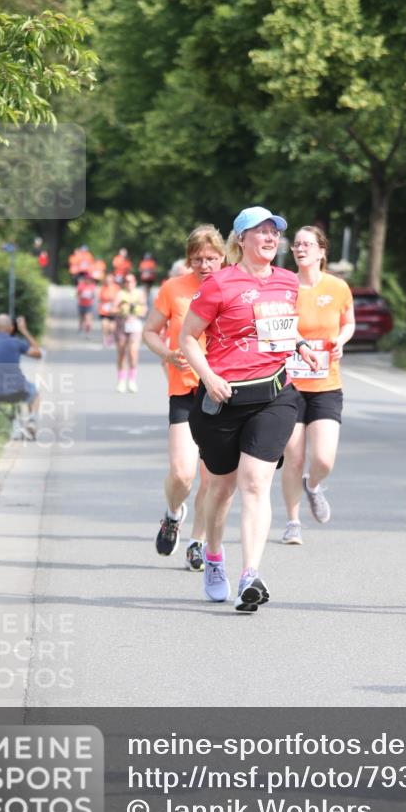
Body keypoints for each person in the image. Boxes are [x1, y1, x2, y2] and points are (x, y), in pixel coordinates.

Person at [180, 206, 320, 612]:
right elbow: (189, 337)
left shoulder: (288, 281)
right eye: (261, 232)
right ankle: (215, 556)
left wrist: (302, 346)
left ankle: (250, 576)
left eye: (275, 232)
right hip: (224, 399)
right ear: (240, 239)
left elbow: (281, 326)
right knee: (220, 489)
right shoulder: (219, 285)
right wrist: (208, 377)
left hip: (274, 396)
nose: (271, 239)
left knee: (256, 483)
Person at [143, 226, 225, 571]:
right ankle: (173, 513)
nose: (204, 265)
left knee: (211, 478)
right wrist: (167, 352)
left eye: (211, 258)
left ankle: (198, 542)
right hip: (184, 390)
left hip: (221, 391)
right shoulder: (173, 289)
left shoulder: (232, 286)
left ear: (223, 257)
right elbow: (149, 331)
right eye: (197, 259)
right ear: (189, 259)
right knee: (181, 474)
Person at [280, 226, 355, 545]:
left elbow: (348, 321)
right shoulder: (283, 285)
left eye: (307, 244)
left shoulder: (338, 288)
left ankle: (314, 485)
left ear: (322, 251)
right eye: (296, 244)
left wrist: (340, 340)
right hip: (289, 383)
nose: (300, 249)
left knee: (323, 458)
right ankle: (293, 521)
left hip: (326, 383)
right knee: (294, 457)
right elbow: (276, 326)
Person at [0, 314, 42, 437]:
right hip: (19, 390)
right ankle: (32, 422)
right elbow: (38, 354)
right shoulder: (17, 343)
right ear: (11, 328)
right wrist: (24, 330)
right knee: (35, 394)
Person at [112, 272, 146, 392]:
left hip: (135, 326)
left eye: (131, 281)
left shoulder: (139, 293)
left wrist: (138, 311)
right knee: (121, 354)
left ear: (135, 282)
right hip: (122, 325)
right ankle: (121, 381)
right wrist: (122, 309)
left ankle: (132, 380)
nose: (129, 283)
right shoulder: (120, 294)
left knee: (133, 353)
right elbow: (113, 309)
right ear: (124, 283)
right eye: (126, 281)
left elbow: (144, 309)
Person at [98, 272, 120, 348]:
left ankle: (111, 337)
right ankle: (104, 338)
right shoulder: (103, 288)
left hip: (113, 309)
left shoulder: (116, 288)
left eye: (110, 279)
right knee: (104, 324)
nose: (108, 281)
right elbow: (100, 298)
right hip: (104, 310)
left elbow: (119, 298)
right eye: (107, 280)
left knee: (112, 327)